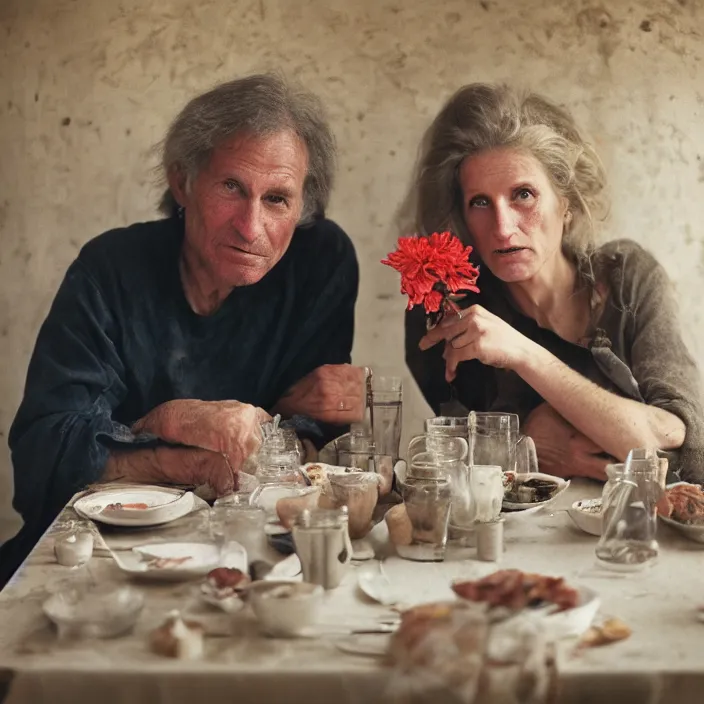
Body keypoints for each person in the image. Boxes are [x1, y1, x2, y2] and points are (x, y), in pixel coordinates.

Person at [1, 74, 364, 587]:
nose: (250, 224)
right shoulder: (112, 269)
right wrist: (178, 424)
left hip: (256, 558)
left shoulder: (319, 262)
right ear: (182, 182)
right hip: (100, 559)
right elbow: (42, 461)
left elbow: (313, 439)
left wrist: (132, 445)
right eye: (232, 187)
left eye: (278, 199)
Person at [404, 83, 704, 484]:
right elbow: (476, 468)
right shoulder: (450, 310)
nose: (503, 228)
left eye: (523, 194)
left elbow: (686, 453)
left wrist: (527, 357)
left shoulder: (628, 277)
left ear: (567, 203)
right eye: (480, 202)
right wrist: (535, 440)